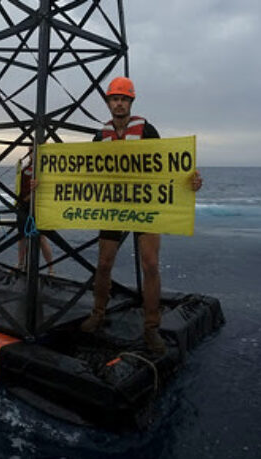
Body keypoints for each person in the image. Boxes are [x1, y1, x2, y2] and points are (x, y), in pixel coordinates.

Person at [79, 76, 204, 355]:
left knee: (149, 264)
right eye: (115, 98)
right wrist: (47, 184)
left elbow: (167, 166)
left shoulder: (147, 130)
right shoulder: (100, 137)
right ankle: (98, 313)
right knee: (103, 263)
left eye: (124, 98)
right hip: (113, 206)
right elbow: (79, 173)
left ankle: (151, 328)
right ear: (109, 102)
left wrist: (190, 180)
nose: (119, 102)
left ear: (131, 102)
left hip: (145, 206)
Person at [17, 148, 54, 274]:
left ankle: (51, 269)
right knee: (22, 236)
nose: (32, 153)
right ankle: (21, 264)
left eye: (34, 150)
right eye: (30, 150)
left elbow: (50, 186)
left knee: (41, 237)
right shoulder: (26, 168)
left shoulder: (46, 168)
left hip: (38, 205)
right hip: (23, 205)